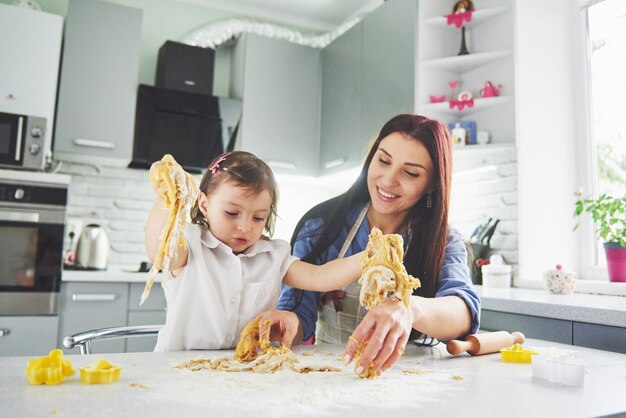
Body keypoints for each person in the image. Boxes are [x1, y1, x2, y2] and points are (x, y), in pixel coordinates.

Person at [271, 114, 480, 376]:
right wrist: (288, 322)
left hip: (411, 377)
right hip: (334, 373)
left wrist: (408, 307)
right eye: (383, 161)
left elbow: (463, 313)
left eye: (411, 173)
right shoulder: (322, 226)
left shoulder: (445, 241)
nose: (388, 180)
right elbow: (298, 311)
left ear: (432, 184)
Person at [145, 151, 363, 352]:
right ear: (204, 204)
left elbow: (320, 277)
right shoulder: (191, 245)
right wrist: (166, 198)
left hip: (241, 373)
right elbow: (161, 252)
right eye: (231, 213)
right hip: (179, 370)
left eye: (258, 217)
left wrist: (369, 257)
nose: (245, 227)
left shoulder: (273, 256)